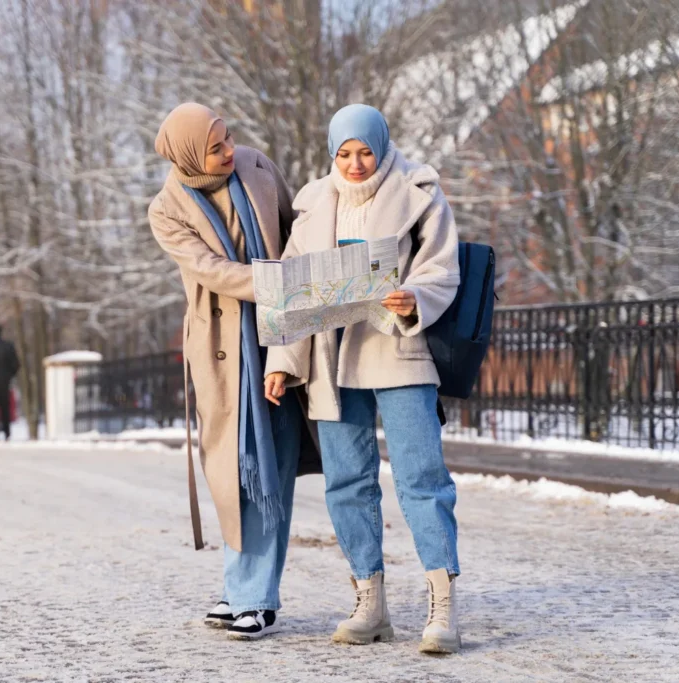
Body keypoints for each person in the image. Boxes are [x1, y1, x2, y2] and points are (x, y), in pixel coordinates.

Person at [264, 104, 463, 654]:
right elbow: (291, 291)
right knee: (346, 482)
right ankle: (369, 601)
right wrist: (281, 364)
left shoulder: (418, 189)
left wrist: (413, 297)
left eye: (365, 151)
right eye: (344, 153)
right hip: (331, 359)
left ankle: (442, 605)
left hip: (397, 345)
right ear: (332, 153)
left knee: (422, 477)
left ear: (383, 145)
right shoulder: (311, 203)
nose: (355, 163)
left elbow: (442, 269)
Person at [149, 102, 319, 640]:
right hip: (224, 350)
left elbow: (296, 229)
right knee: (234, 468)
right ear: (188, 154)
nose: (229, 151)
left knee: (271, 465)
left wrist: (307, 283)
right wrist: (280, 282)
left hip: (281, 337)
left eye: (228, 138)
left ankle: (255, 597)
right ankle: (241, 585)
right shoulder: (167, 209)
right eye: (216, 147)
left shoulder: (256, 166)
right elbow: (211, 271)